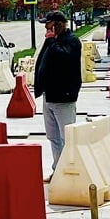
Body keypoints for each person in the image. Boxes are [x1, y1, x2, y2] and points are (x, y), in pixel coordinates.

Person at [33, 11, 81, 171]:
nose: (46, 28)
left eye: (48, 25)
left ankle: (71, 171)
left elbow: (63, 58)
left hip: (63, 96)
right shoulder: (54, 40)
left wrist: (51, 41)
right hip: (49, 95)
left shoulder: (71, 41)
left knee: (67, 137)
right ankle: (58, 170)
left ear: (58, 24)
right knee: (53, 137)